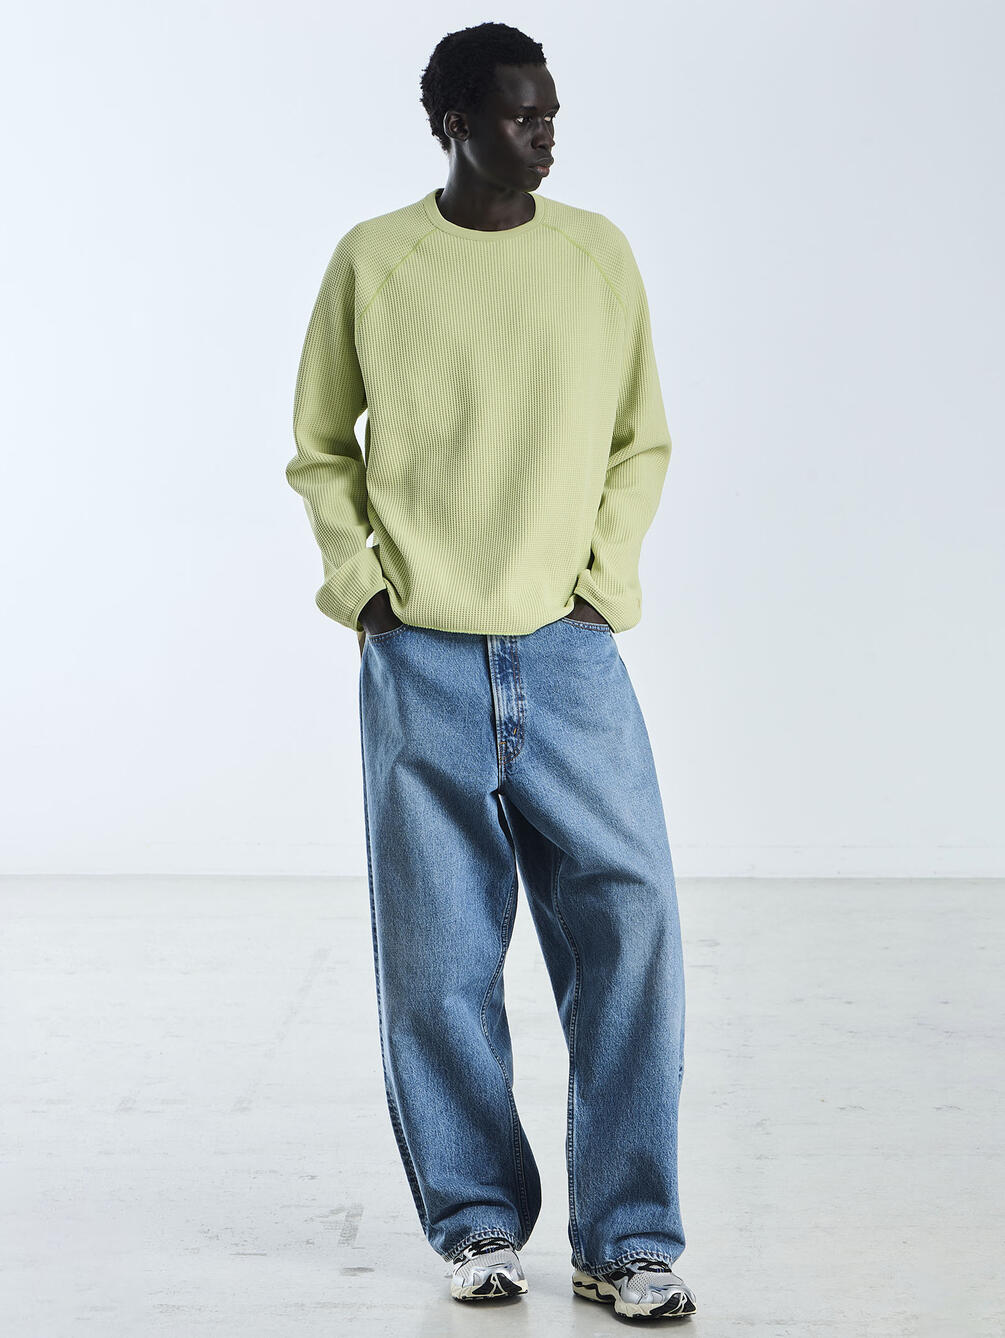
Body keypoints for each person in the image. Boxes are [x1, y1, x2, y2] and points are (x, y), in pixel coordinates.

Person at [285, 20, 697, 1323]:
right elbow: (319, 445)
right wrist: (364, 588)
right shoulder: (376, 260)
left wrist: (601, 586)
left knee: (631, 931)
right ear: (454, 123)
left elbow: (640, 439)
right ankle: (475, 1226)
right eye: (522, 116)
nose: (547, 136)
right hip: (421, 657)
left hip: (569, 654)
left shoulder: (597, 255)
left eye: (553, 113)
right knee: (438, 960)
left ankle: (627, 1239)